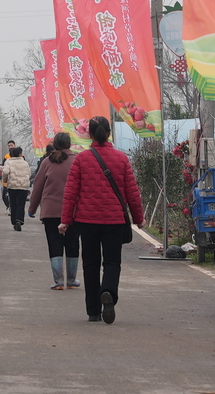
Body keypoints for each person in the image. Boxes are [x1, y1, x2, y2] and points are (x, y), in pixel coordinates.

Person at [59, 116, 144, 324]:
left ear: (89, 134)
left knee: (90, 264)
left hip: (86, 220)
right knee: (112, 262)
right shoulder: (121, 159)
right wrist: (138, 218)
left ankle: (93, 311)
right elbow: (132, 192)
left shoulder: (81, 159)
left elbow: (71, 193)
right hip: (114, 221)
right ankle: (108, 291)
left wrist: (65, 220)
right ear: (109, 133)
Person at [28, 132, 80, 290]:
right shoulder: (77, 160)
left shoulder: (47, 162)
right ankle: (71, 280)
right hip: (74, 211)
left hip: (50, 211)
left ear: (55, 144)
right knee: (72, 244)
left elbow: (38, 187)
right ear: (69, 144)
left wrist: (32, 208)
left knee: (54, 244)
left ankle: (58, 282)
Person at [1, 146, 31, 231]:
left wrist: (5, 180)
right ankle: (19, 220)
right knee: (21, 204)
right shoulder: (25, 163)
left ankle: (14, 221)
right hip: (23, 186)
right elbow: (29, 173)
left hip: (12, 186)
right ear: (20, 154)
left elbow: (5, 172)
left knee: (13, 204)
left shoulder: (8, 162)